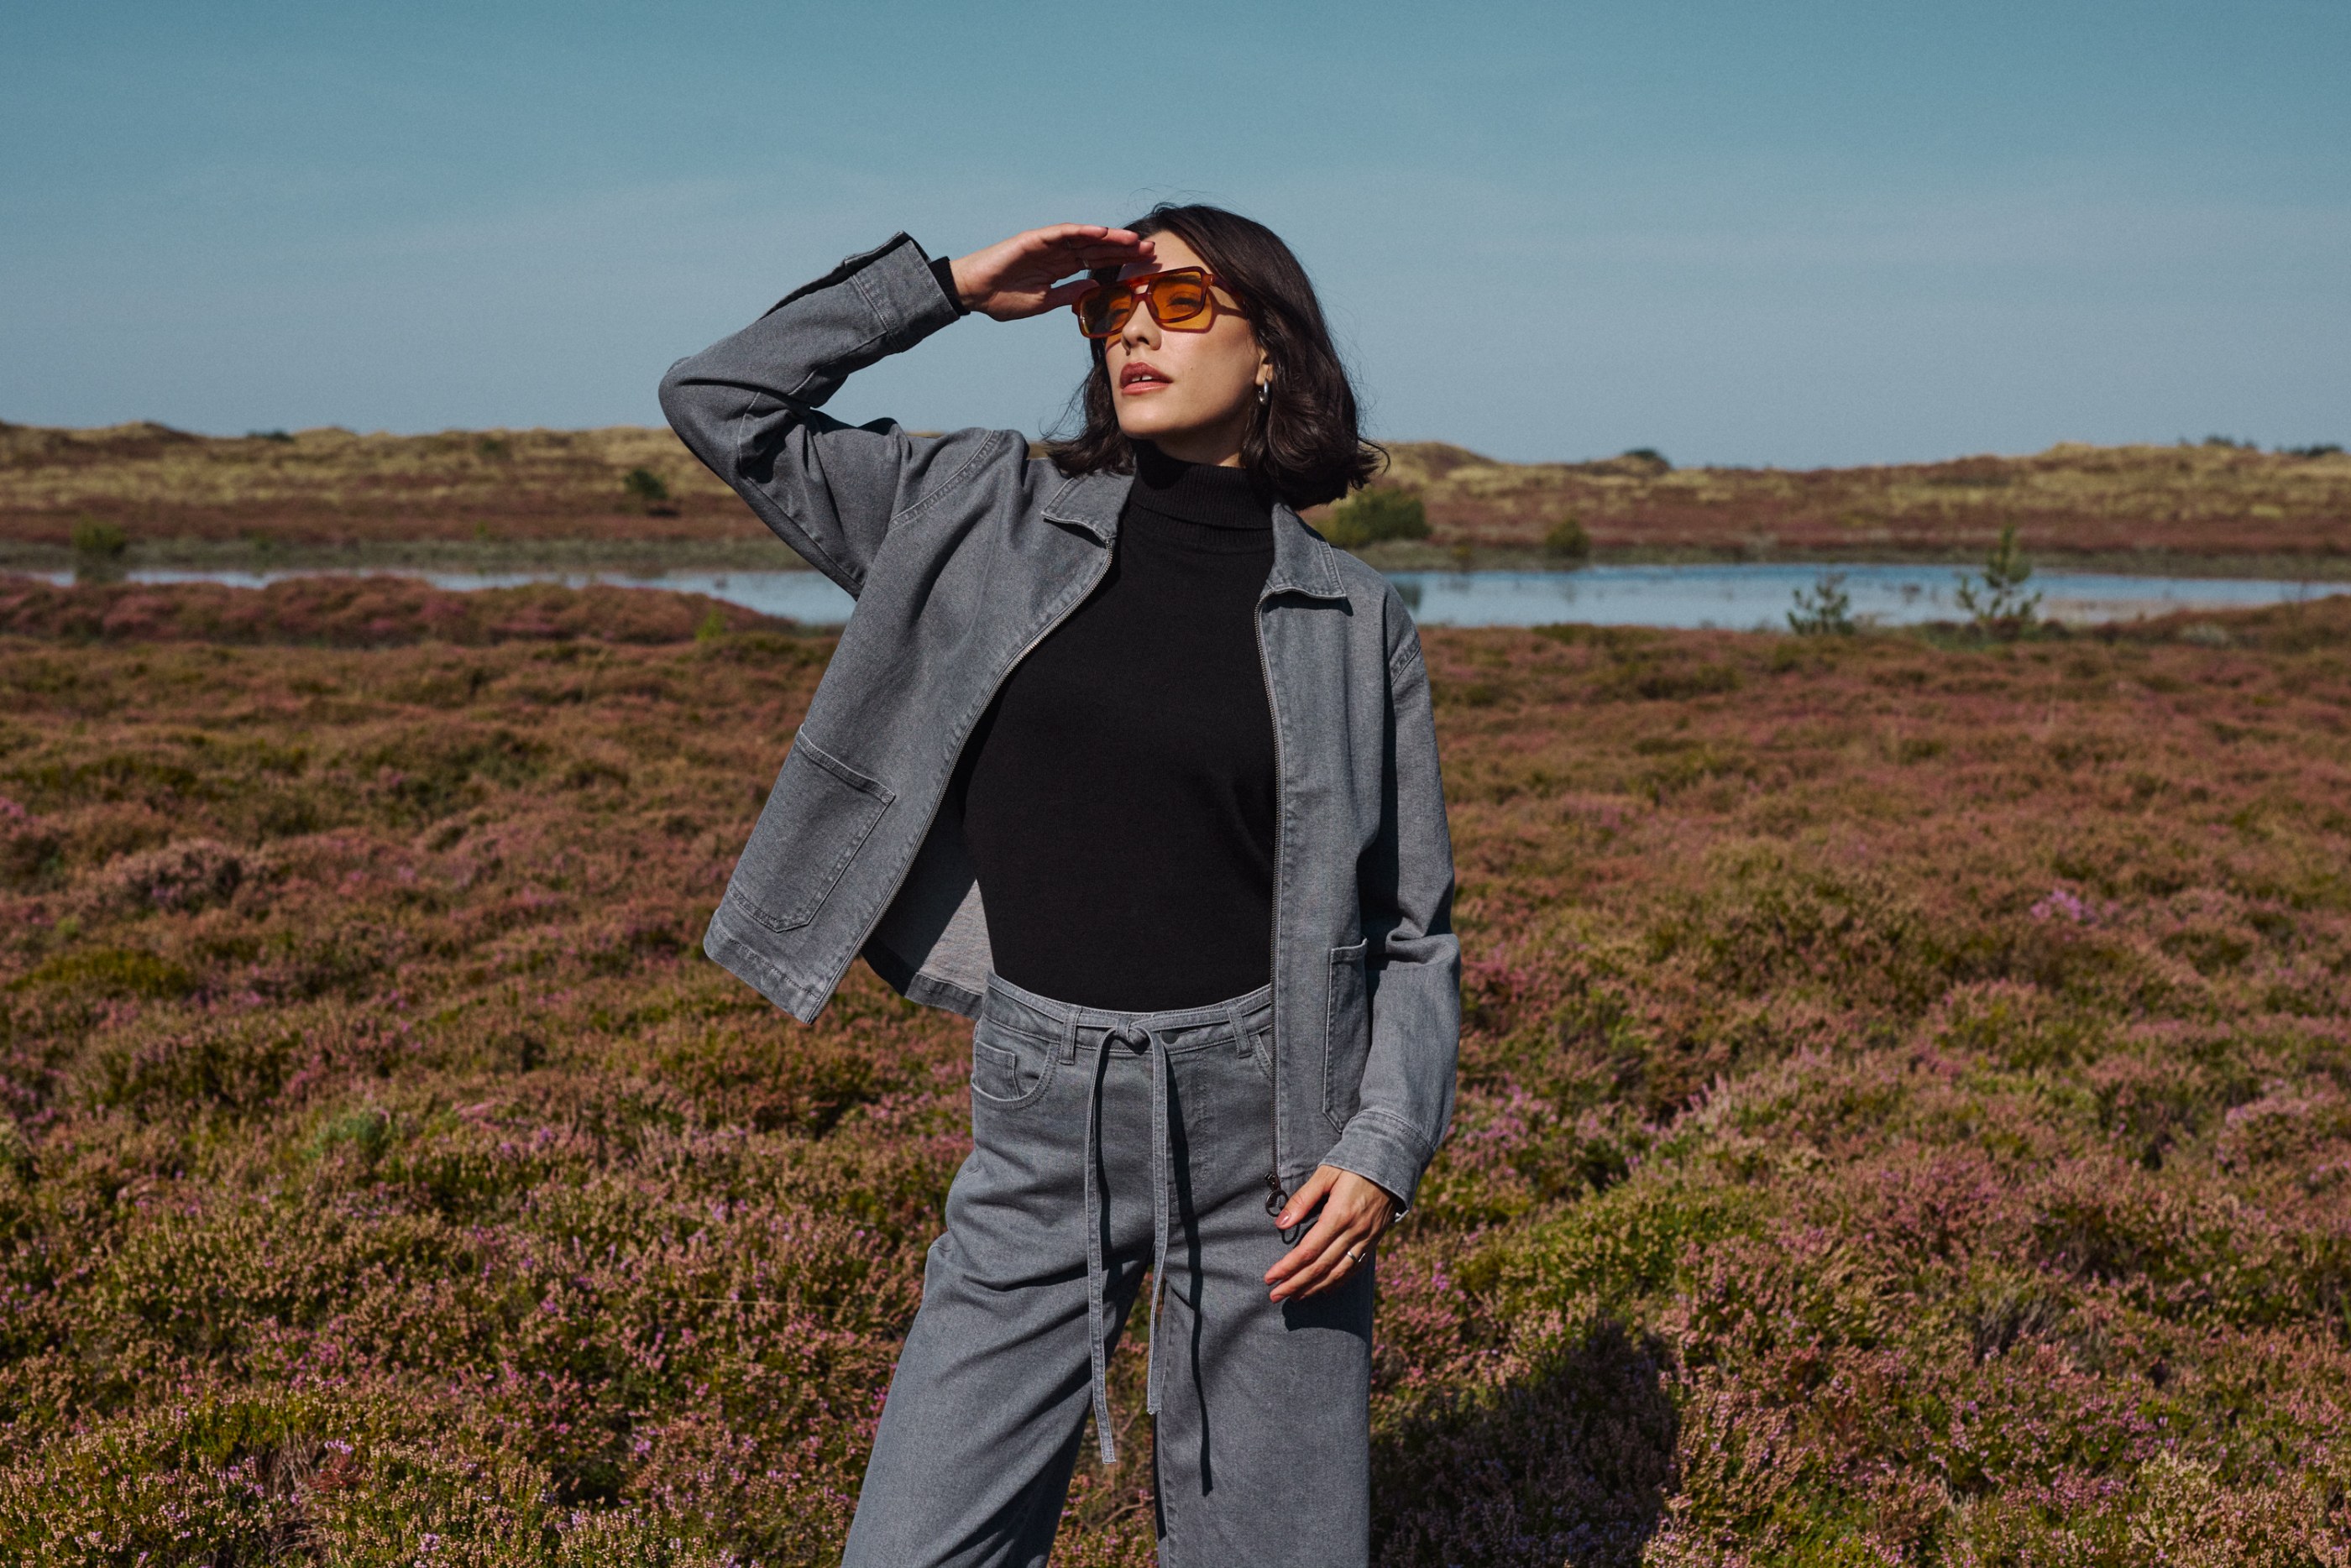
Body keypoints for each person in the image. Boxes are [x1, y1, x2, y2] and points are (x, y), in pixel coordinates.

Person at [657, 205, 1459, 1567]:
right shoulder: (981, 511)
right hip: (1042, 1115)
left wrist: (1382, 1144)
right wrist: (949, 287)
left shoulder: (1354, 615)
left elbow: (1411, 925)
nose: (1136, 329)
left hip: (1276, 1133)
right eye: (1112, 307)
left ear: (1273, 351)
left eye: (1183, 303)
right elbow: (719, 400)